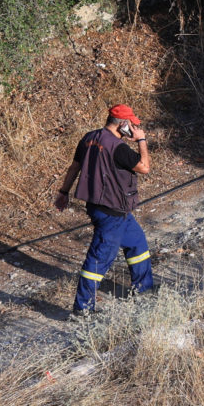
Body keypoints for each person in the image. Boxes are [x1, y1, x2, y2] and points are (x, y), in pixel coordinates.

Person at [55, 103, 156, 314]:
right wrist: (141, 140)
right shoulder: (118, 147)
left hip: (107, 209)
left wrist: (63, 192)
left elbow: (75, 167)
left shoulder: (89, 138)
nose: (134, 128)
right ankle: (83, 309)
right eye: (132, 124)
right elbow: (144, 167)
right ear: (123, 124)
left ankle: (144, 290)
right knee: (99, 260)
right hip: (112, 213)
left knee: (137, 243)